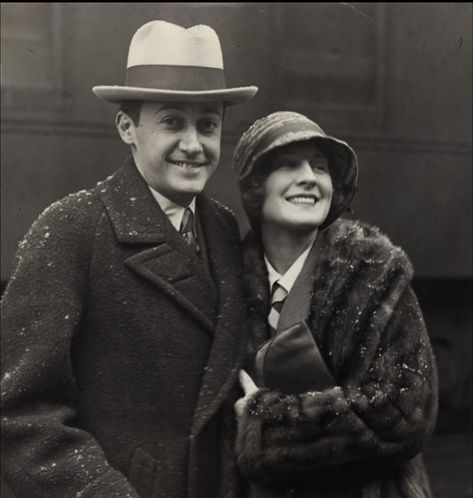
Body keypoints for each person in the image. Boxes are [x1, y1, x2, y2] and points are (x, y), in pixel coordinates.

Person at [1, 21, 257, 498]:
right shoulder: (72, 230)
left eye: (208, 124)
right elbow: (19, 412)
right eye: (172, 122)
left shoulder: (223, 229)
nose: (193, 145)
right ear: (127, 128)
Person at [232, 112, 438, 497]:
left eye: (321, 168)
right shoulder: (227, 279)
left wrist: (269, 425)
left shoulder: (375, 273)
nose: (309, 177)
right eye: (289, 165)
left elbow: (404, 413)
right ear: (256, 186)